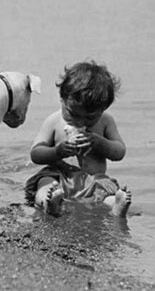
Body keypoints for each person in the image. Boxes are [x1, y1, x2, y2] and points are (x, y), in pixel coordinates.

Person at [25, 61, 131, 217]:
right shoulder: (54, 121)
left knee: (106, 191)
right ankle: (48, 202)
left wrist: (99, 143)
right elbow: (36, 154)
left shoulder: (106, 121)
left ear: (103, 109)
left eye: (90, 118)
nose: (80, 122)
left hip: (93, 179)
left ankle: (116, 206)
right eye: (73, 114)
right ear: (62, 99)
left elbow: (119, 151)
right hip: (59, 175)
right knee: (45, 182)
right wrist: (58, 151)